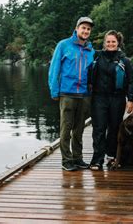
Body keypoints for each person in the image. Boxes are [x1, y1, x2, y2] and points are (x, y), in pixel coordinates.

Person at [48, 17, 95, 171]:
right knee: (66, 128)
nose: (86, 31)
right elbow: (54, 69)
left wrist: (91, 92)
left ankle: (77, 158)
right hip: (66, 93)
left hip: (83, 94)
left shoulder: (90, 50)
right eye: (83, 28)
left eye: (88, 29)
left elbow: (91, 73)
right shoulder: (63, 45)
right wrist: (54, 90)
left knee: (79, 129)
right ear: (76, 29)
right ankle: (66, 160)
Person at [88, 30, 133, 171]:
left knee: (114, 128)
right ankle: (97, 159)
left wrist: (130, 99)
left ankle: (112, 156)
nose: (110, 44)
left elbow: (131, 82)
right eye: (108, 41)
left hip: (117, 98)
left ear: (118, 43)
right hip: (99, 98)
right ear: (104, 43)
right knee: (99, 129)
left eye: (113, 42)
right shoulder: (96, 56)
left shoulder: (124, 60)